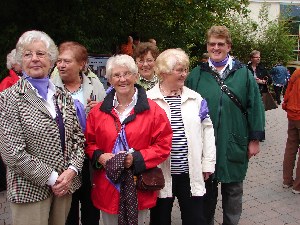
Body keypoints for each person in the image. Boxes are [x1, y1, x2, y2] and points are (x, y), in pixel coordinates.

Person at [0, 30, 85, 225]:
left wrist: (72, 170)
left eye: (40, 53)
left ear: (52, 59)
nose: (35, 59)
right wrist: (53, 178)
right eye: (28, 54)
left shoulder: (63, 96)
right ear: (20, 61)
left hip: (65, 187)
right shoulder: (8, 98)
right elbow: (12, 153)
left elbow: (78, 139)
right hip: (29, 191)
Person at [186, 25, 265, 225]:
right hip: (206, 144)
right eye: (212, 44)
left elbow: (255, 106)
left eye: (220, 44)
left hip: (234, 139)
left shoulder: (244, 73)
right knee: (206, 193)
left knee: (233, 191)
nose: (216, 47)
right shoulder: (197, 74)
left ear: (228, 46)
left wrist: (254, 139)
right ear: (207, 46)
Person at [85, 54, 173, 225]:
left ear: (136, 76)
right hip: (107, 185)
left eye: (127, 74)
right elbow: (89, 143)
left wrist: (136, 159)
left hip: (138, 184)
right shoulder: (98, 113)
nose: (122, 79)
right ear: (109, 80)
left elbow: (163, 145)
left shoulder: (154, 111)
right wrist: (100, 156)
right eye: (117, 75)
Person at [147, 48, 216, 225]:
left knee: (195, 219)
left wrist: (208, 163)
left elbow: (207, 131)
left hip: (190, 171)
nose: (184, 74)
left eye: (185, 69)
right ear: (164, 72)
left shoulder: (196, 98)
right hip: (161, 172)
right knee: (160, 219)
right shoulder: (148, 100)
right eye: (179, 70)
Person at [52, 41, 106, 225]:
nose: (61, 65)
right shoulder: (51, 86)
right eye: (59, 61)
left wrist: (99, 108)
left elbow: (107, 115)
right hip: (64, 161)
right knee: (68, 211)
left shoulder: (95, 84)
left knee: (91, 208)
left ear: (81, 64)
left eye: (67, 61)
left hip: (90, 157)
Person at [282, 68, 300, 194]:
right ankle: (297, 186)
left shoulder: (296, 72)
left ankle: (287, 181)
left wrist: (287, 105)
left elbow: (287, 92)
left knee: (291, 147)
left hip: (292, 113)